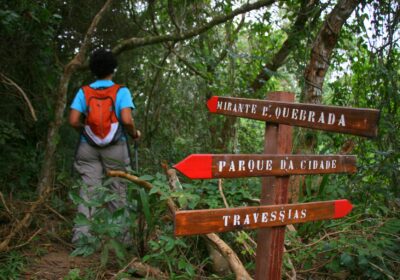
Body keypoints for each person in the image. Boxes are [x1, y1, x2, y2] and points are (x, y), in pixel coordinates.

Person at [69, 48, 140, 243]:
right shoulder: (121, 91)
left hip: (87, 147)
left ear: (93, 69)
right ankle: (123, 241)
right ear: (113, 69)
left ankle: (81, 240)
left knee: (88, 191)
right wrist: (135, 133)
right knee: (117, 191)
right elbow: (126, 119)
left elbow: (74, 120)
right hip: (116, 147)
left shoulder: (84, 91)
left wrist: (86, 132)